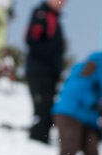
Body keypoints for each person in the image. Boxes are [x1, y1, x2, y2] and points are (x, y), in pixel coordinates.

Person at [25, 0, 67, 144]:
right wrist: (48, 56)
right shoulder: (42, 15)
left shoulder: (54, 17)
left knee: (48, 109)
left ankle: (42, 140)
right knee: (42, 109)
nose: (62, 2)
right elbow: (31, 39)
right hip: (39, 71)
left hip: (49, 73)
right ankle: (36, 142)